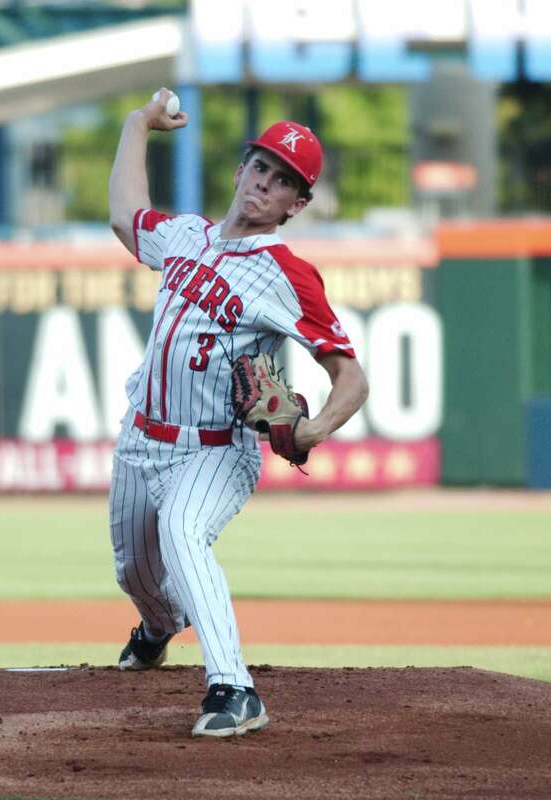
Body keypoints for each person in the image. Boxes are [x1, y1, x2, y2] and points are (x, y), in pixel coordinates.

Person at [106, 87, 369, 738]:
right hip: (141, 440)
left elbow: (350, 377)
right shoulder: (187, 237)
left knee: (183, 533)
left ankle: (234, 689)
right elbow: (124, 214)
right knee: (134, 573)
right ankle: (160, 625)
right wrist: (138, 124)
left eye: (283, 182)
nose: (265, 184)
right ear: (239, 169)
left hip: (218, 447)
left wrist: (313, 428)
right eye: (261, 167)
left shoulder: (287, 273)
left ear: (296, 205)